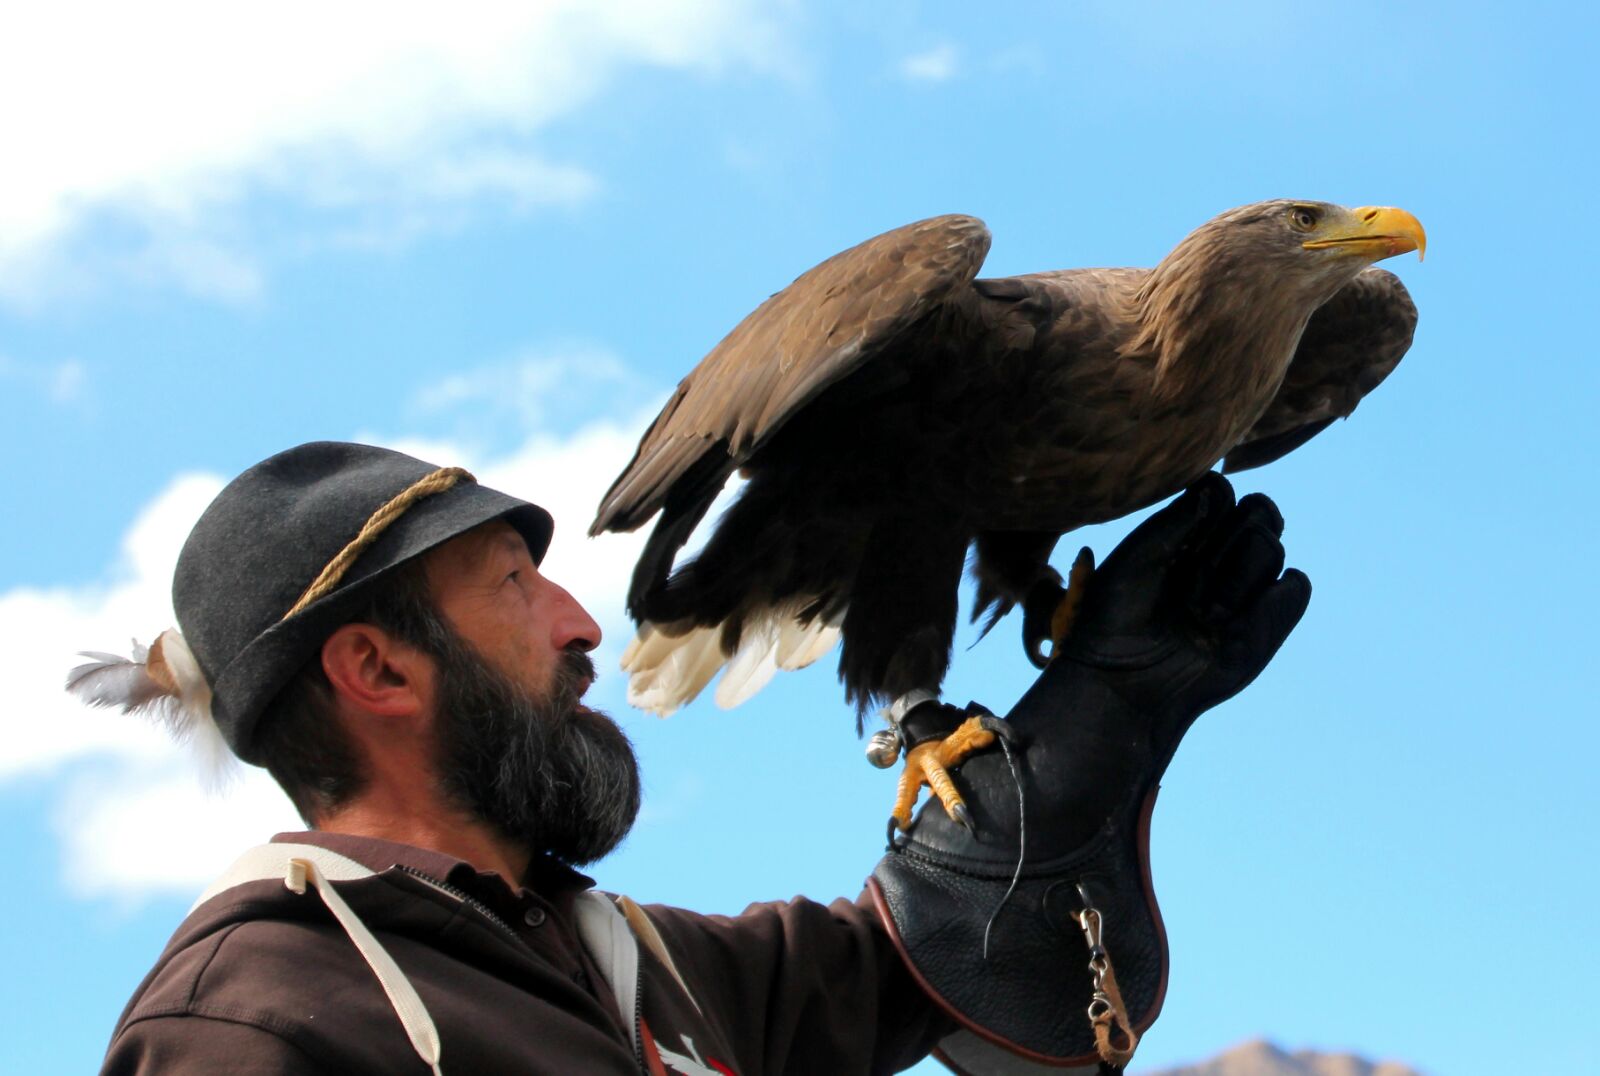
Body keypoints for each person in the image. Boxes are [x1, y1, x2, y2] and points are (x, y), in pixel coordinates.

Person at [79, 441, 1309, 1075]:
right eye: (515, 587)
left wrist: (1098, 711)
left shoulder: (632, 965)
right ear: (379, 671)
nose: (577, 627)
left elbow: (923, 951)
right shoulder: (252, 1025)